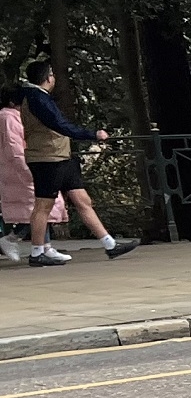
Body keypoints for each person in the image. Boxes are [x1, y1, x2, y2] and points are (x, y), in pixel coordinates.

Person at [18, 59, 137, 264]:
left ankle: (109, 244)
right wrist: (91, 134)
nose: (54, 77)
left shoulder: (38, 97)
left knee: (83, 201)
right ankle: (37, 252)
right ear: (48, 78)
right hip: (47, 158)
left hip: (60, 156)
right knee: (43, 205)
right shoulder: (37, 99)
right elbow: (59, 125)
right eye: (53, 73)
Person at [0, 81, 66, 265]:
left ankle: (44, 246)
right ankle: (19, 239)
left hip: (21, 166)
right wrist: (26, 166)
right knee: (39, 206)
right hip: (21, 168)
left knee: (39, 206)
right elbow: (14, 147)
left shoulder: (11, 116)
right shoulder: (8, 117)